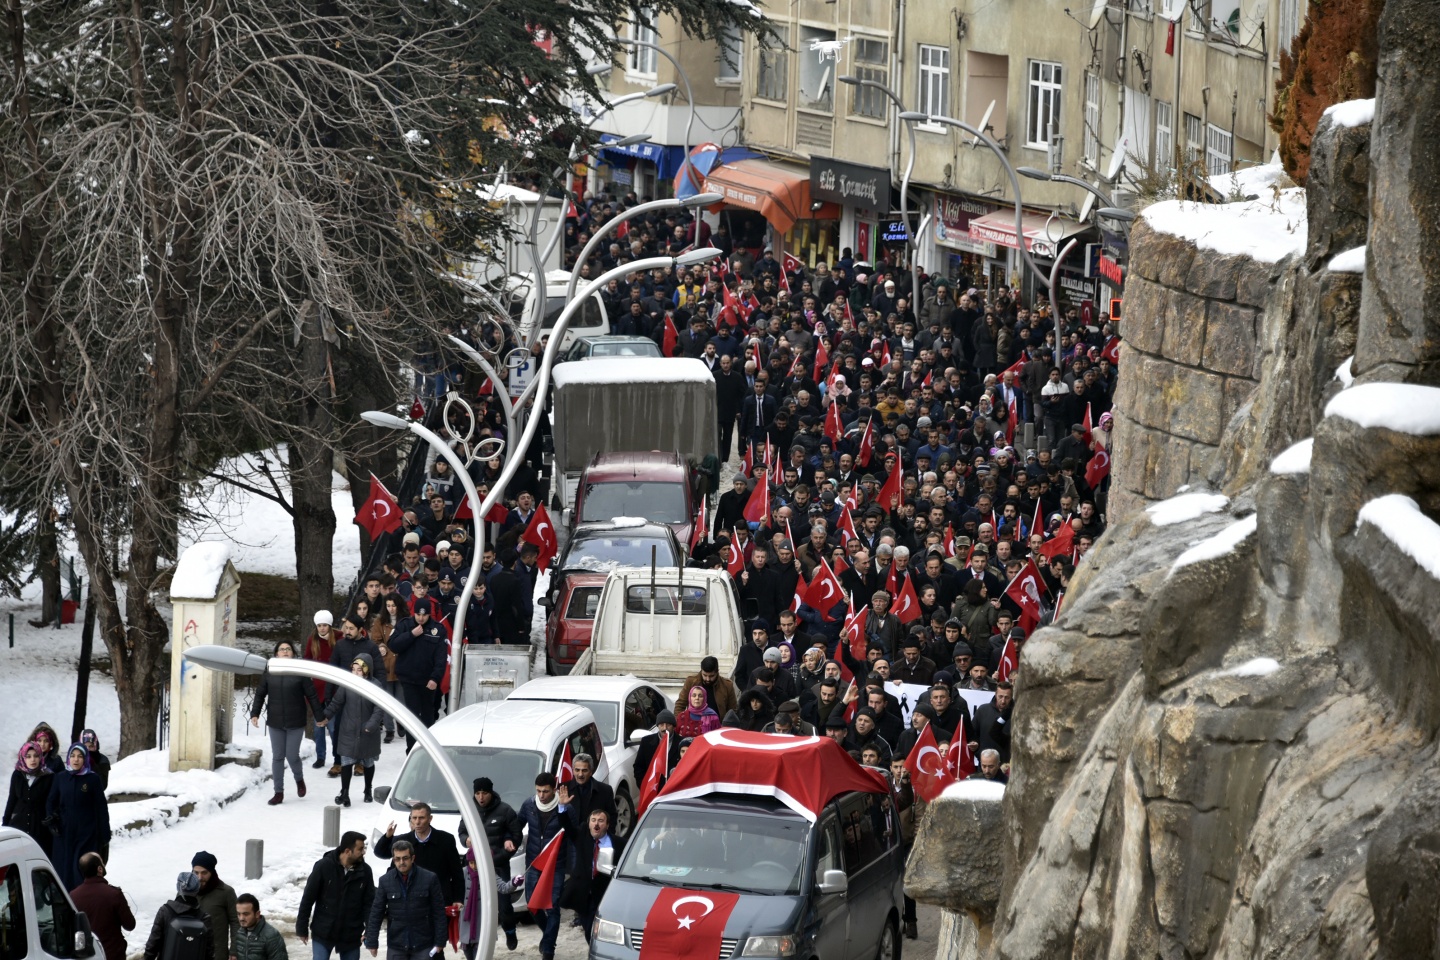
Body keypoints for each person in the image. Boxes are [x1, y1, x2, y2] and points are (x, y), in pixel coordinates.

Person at [250, 639, 326, 805]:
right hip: (275, 721)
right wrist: (255, 713)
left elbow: (312, 695)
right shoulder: (270, 671)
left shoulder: (300, 671)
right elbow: (260, 693)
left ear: (293, 653)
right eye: (281, 649)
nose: (284, 651)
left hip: (295, 721)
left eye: (288, 649)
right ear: (276, 653)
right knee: (278, 756)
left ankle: (299, 780)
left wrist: (319, 717)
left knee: (292, 755)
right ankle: (278, 792)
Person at [297, 832, 376, 960]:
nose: (364, 852)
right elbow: (308, 898)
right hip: (323, 930)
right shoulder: (323, 866)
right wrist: (301, 928)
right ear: (347, 851)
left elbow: (369, 904)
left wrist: (369, 932)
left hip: (351, 933)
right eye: (360, 849)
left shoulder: (365, 871)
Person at [364, 841, 447, 960]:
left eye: (405, 858)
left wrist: (440, 940)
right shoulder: (385, 881)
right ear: (393, 859)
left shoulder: (429, 879)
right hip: (396, 944)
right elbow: (376, 912)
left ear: (413, 858)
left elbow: (439, 912)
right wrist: (372, 941)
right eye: (397, 859)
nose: (401, 862)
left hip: (423, 943)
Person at [374, 803, 465, 908]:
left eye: (421, 818)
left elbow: (456, 872)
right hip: (410, 901)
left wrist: (458, 899)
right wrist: (387, 837)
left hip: (439, 900)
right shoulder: (403, 840)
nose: (417, 822)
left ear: (430, 818)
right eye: (414, 818)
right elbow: (380, 853)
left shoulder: (446, 840)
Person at [466, 778, 521, 950]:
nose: (481, 797)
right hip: (474, 866)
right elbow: (462, 831)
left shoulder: (505, 810)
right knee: (475, 903)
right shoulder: (470, 809)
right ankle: (476, 941)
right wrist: (465, 839)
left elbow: (516, 836)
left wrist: (505, 851)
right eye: (477, 793)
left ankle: (510, 931)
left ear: (491, 792)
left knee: (504, 904)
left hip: (498, 865)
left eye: (484, 793)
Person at [46, 742, 110, 889]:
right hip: (64, 834)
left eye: (80, 756)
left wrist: (105, 834)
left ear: (85, 759)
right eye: (73, 756)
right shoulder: (60, 778)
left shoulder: (93, 779)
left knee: (82, 870)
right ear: (68, 758)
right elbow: (51, 802)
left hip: (86, 834)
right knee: (63, 870)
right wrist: (52, 822)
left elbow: (101, 807)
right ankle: (65, 904)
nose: (76, 759)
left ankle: (83, 903)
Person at [388, 598, 448, 750]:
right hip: (408, 680)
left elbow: (441, 658)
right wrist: (411, 634)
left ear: (429, 614)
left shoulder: (438, 630)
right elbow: (393, 645)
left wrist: (435, 678)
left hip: (428, 681)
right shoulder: (404, 625)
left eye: (424, 615)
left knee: (428, 717)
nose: (421, 618)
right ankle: (411, 750)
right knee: (412, 718)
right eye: (418, 614)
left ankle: (428, 749)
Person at [556, 792, 616, 943]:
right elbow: (567, 826)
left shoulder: (618, 843)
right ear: (589, 823)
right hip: (584, 895)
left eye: (600, 821)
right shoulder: (581, 837)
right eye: (593, 820)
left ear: (607, 825)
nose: (596, 824)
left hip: (605, 894)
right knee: (589, 929)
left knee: (604, 930)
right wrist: (562, 806)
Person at [325, 655, 385, 807]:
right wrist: (325, 716)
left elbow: (379, 709)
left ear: (366, 671)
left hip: (367, 732)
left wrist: (371, 725)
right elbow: (336, 703)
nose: (355, 673)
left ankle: (367, 789)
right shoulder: (347, 684)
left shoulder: (375, 685)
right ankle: (344, 792)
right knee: (346, 763)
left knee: (368, 761)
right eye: (353, 670)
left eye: (359, 670)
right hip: (349, 730)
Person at [69, 853, 136, 960]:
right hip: (113, 955)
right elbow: (130, 925)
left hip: (87, 956)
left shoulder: (73, 896)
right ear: (99, 869)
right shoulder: (114, 894)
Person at [143, 871, 213, 960]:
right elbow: (209, 952)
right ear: (197, 889)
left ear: (179, 887)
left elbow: (152, 945)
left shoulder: (165, 911)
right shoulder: (204, 917)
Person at [4, 740, 54, 854]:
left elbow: (52, 801)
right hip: (19, 824)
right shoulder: (17, 774)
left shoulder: (48, 776)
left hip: (40, 827)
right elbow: (12, 800)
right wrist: (5, 823)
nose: (33, 760)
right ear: (23, 758)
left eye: (36, 756)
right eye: (28, 756)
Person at [303, 611, 337, 774]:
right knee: (318, 728)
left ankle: (338, 757)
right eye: (319, 626)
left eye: (325, 625)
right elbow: (307, 660)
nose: (322, 629)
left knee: (333, 726)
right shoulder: (313, 640)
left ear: (329, 626)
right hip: (317, 689)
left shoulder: (338, 637)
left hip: (333, 688)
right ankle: (320, 756)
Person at [191, 852, 238, 960]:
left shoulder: (226, 892)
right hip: (189, 950)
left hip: (216, 954)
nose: (199, 877)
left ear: (212, 872)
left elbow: (236, 922)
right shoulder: (184, 892)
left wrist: (234, 950)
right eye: (196, 872)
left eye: (204, 873)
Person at [567, 755, 616, 829]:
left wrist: (606, 837)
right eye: (577, 770)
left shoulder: (605, 790)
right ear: (573, 770)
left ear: (591, 771)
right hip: (571, 838)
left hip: (596, 838)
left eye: (584, 770)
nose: (580, 774)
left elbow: (612, 817)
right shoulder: (564, 789)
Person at [232, 895, 285, 960]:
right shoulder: (240, 933)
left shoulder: (271, 936)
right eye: (238, 914)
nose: (241, 918)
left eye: (246, 914)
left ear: (257, 914)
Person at [632, 711, 681, 781]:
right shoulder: (646, 742)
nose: (665, 728)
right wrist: (644, 786)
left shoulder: (681, 742)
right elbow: (639, 767)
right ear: (657, 726)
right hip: (653, 789)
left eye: (668, 725)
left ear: (673, 726)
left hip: (675, 788)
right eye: (661, 724)